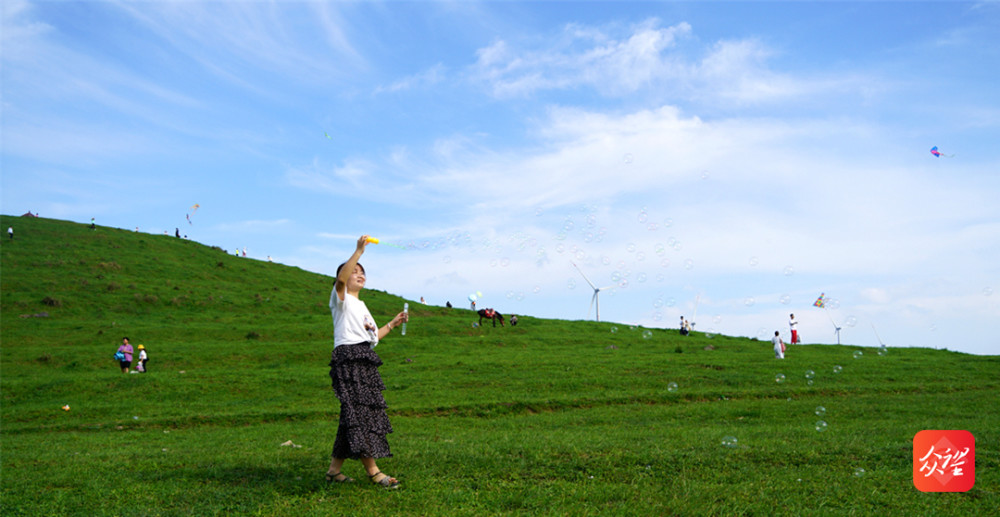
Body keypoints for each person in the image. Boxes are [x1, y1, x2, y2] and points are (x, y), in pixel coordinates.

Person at [326, 235, 409, 490]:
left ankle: (334, 471)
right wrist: (359, 252)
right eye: (354, 271)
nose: (359, 273)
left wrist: (392, 324)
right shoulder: (340, 298)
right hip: (348, 358)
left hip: (364, 357)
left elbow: (372, 338)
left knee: (353, 414)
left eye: (362, 272)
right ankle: (374, 472)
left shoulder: (361, 305)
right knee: (360, 414)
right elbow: (342, 280)